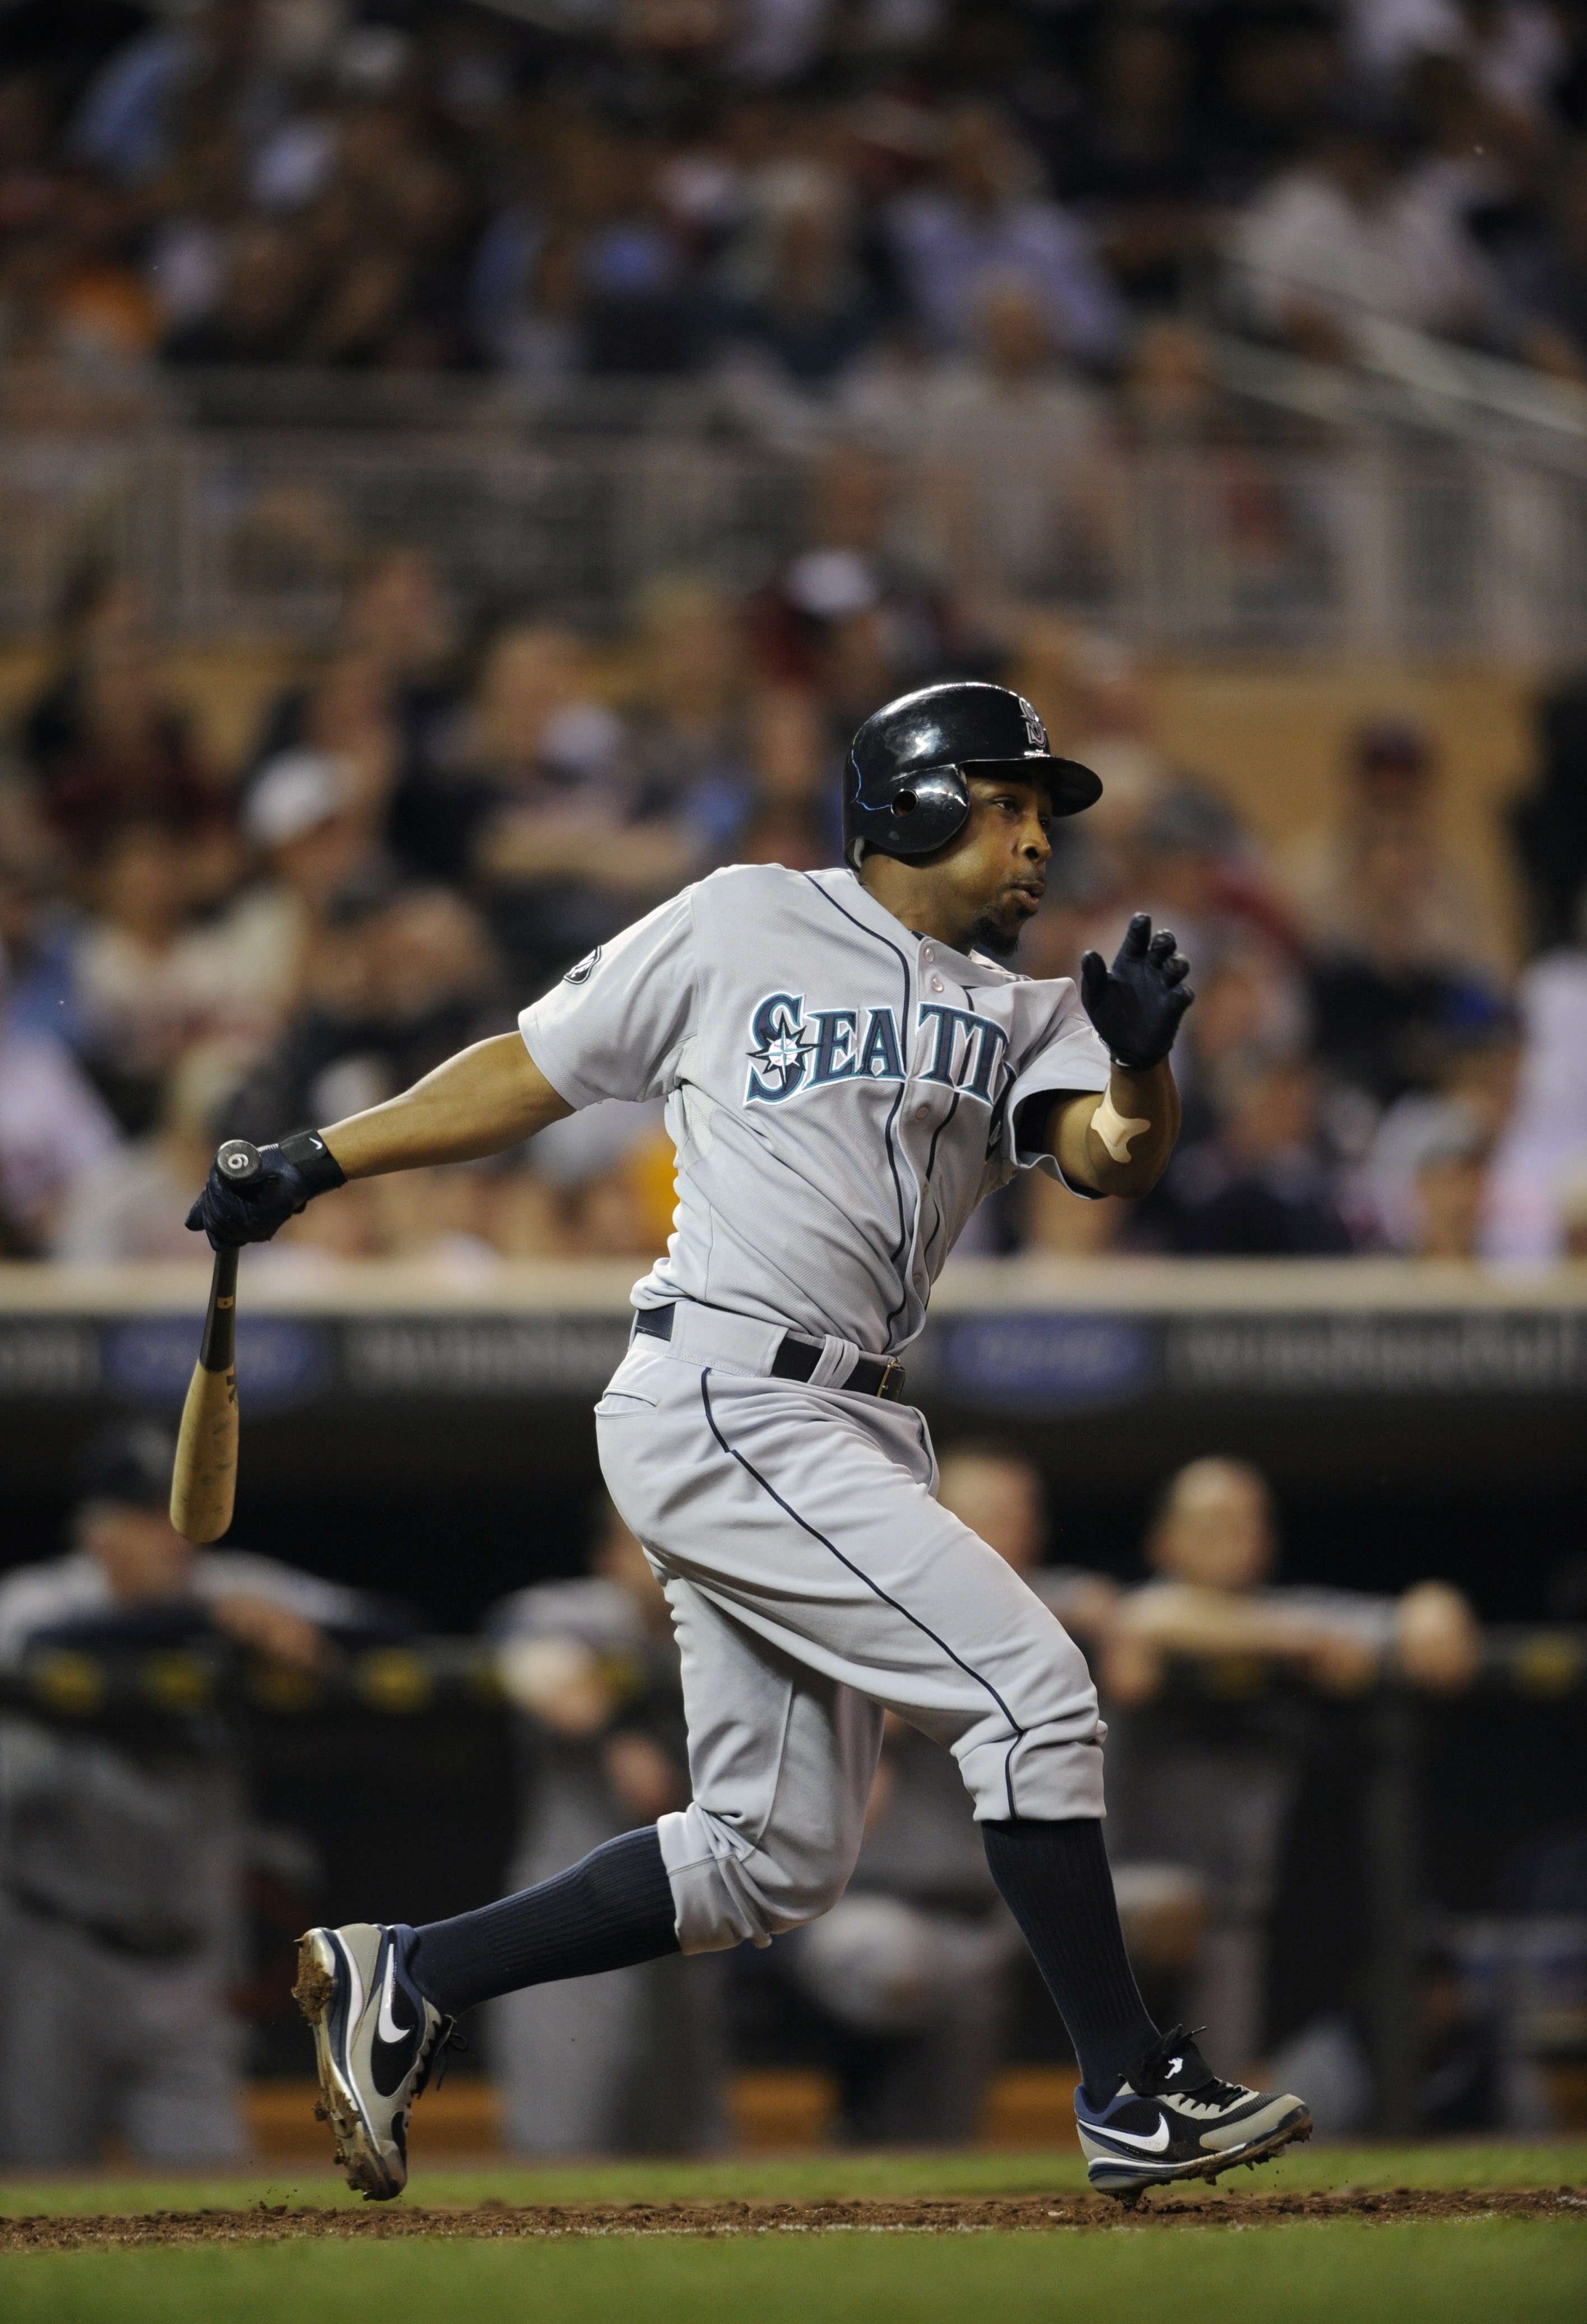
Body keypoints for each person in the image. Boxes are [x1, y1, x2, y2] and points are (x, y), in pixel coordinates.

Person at [187, 677, 1311, 2205]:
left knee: (769, 1862)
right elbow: (535, 1063)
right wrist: (320, 1157)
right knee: (1035, 1696)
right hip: (727, 1389)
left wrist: (1141, 1067)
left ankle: (412, 1974)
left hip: (853, 1419)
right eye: (1007, 803)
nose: (1040, 839)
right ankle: (1126, 2086)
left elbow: (1112, 1158)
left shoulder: (1034, 1009)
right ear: (910, 802)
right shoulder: (740, 923)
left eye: (1044, 812)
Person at [0, 1420, 383, 2168]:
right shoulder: (36, 1601)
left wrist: (300, 1635)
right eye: (150, 1518)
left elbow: (391, 1627)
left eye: (182, 1516)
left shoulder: (230, 1588)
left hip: (189, 1961)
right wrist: (210, 1622)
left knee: (212, 2187)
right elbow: (43, 1650)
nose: (175, 1539)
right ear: (98, 1533)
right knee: (31, 2179)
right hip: (51, 1949)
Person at [1098, 1457, 1481, 2080]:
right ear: (1164, 1542)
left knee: (1230, 1945)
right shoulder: (1153, 1614)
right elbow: (1147, 1620)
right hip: (1112, 1896)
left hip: (1235, 1921)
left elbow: (1415, 1619)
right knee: (1189, 1907)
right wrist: (1300, 1642)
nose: (1237, 1538)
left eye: (1249, 1523)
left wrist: (1436, 1604)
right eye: (1214, 1523)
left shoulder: (1284, 1611)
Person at [485, 1502, 721, 2155]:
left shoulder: (725, 1622)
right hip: (570, 1930)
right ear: (609, 1558)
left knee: (691, 2153)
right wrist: (618, 1735)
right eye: (645, 1541)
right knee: (561, 2144)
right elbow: (534, 1664)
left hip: (687, 1932)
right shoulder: (580, 1611)